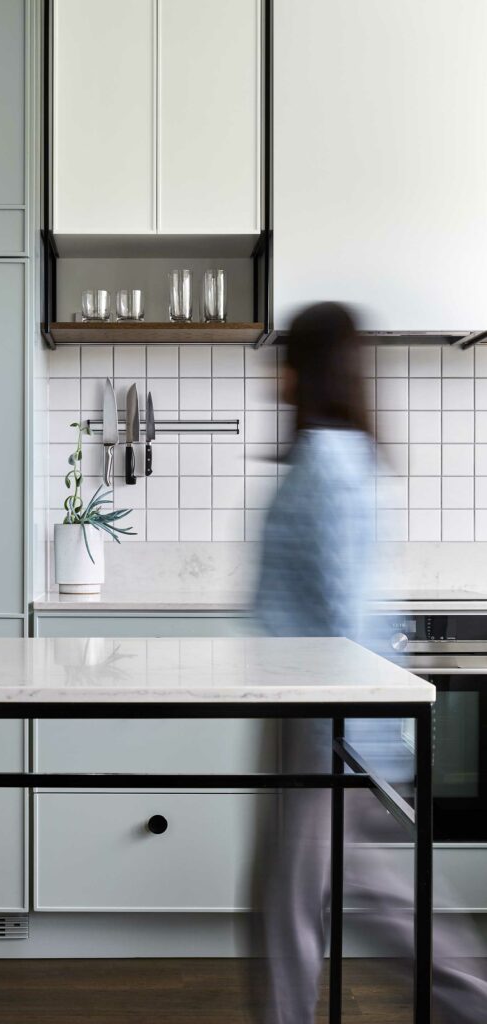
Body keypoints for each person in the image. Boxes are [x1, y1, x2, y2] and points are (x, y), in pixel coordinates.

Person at [254, 302, 486, 1024]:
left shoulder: (325, 463)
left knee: (299, 898)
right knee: (333, 891)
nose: (274, 374)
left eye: (285, 358)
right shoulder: (339, 455)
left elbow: (342, 605)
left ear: (308, 369)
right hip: (317, 709)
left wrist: (359, 733)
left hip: (323, 715)